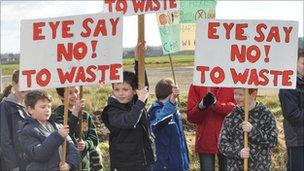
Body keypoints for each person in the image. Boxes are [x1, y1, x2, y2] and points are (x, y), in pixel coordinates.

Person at [101, 71, 155, 170]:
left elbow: (143, 85)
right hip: (124, 163)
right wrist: (140, 102)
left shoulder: (136, 103)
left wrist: (138, 59)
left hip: (144, 160)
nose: (120, 93)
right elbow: (129, 121)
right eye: (116, 89)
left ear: (135, 91)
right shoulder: (112, 110)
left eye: (125, 89)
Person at [219, 88, 278, 170]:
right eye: (235, 93)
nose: (236, 97)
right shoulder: (231, 117)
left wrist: (253, 131)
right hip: (236, 167)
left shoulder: (266, 115)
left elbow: (273, 142)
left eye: (240, 94)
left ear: (253, 94)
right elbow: (222, 144)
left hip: (260, 167)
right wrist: (238, 152)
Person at [19, 90, 78, 170]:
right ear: (30, 110)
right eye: (43, 107)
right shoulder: (27, 131)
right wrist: (58, 135)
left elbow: (72, 147)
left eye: (49, 106)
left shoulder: (58, 125)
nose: (47, 110)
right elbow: (39, 154)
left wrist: (69, 164)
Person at [187, 85, 235, 171]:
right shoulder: (198, 82)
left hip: (228, 139)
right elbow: (191, 117)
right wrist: (201, 106)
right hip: (206, 138)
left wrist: (217, 105)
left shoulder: (232, 80)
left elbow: (238, 109)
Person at [54, 86, 100, 171]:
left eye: (76, 91)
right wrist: (75, 112)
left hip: (85, 165)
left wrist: (85, 144)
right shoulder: (57, 114)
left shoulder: (85, 115)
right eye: (70, 93)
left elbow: (94, 139)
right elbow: (66, 134)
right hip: (68, 164)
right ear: (61, 96)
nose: (74, 95)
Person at [148, 78, 189, 171]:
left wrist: (185, 161)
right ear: (171, 94)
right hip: (164, 164)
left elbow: (180, 138)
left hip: (178, 162)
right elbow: (160, 119)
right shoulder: (155, 110)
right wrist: (172, 99)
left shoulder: (174, 111)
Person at [279, 48, 304, 170]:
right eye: (303, 63)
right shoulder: (287, 85)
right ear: (295, 63)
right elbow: (293, 115)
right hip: (297, 140)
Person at [0, 70, 29, 170]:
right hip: (16, 164)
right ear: (13, 84)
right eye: (22, 84)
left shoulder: (32, 105)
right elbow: (5, 140)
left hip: (31, 162)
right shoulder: (5, 106)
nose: (25, 88)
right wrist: (13, 166)